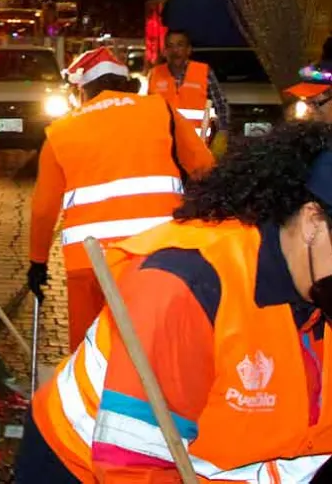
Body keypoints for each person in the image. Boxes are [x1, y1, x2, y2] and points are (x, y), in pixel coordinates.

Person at [18, 121, 332, 482]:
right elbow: (132, 468)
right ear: (313, 222)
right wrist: (38, 258)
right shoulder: (188, 286)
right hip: (78, 466)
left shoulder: (314, 284)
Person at [27, 48, 215, 348]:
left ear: (83, 91)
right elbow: (205, 169)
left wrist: (38, 262)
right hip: (157, 255)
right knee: (157, 346)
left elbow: (43, 209)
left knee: (90, 354)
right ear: (128, 85)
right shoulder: (160, 110)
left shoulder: (60, 132)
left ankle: (94, 395)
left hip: (89, 263)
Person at [148, 29, 229, 153]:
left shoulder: (203, 72)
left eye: (180, 45)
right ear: (165, 51)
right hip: (163, 148)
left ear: (188, 50)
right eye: (170, 46)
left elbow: (221, 106)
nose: (175, 51)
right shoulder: (155, 74)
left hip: (197, 148)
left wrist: (223, 133)